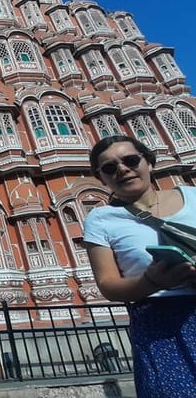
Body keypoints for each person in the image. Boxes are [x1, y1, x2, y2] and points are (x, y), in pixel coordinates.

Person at [83, 135, 196, 396]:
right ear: (101, 178)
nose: (122, 169)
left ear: (149, 162)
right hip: (159, 325)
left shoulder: (192, 196)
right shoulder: (101, 219)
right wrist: (153, 281)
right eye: (109, 168)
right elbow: (108, 286)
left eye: (131, 160)